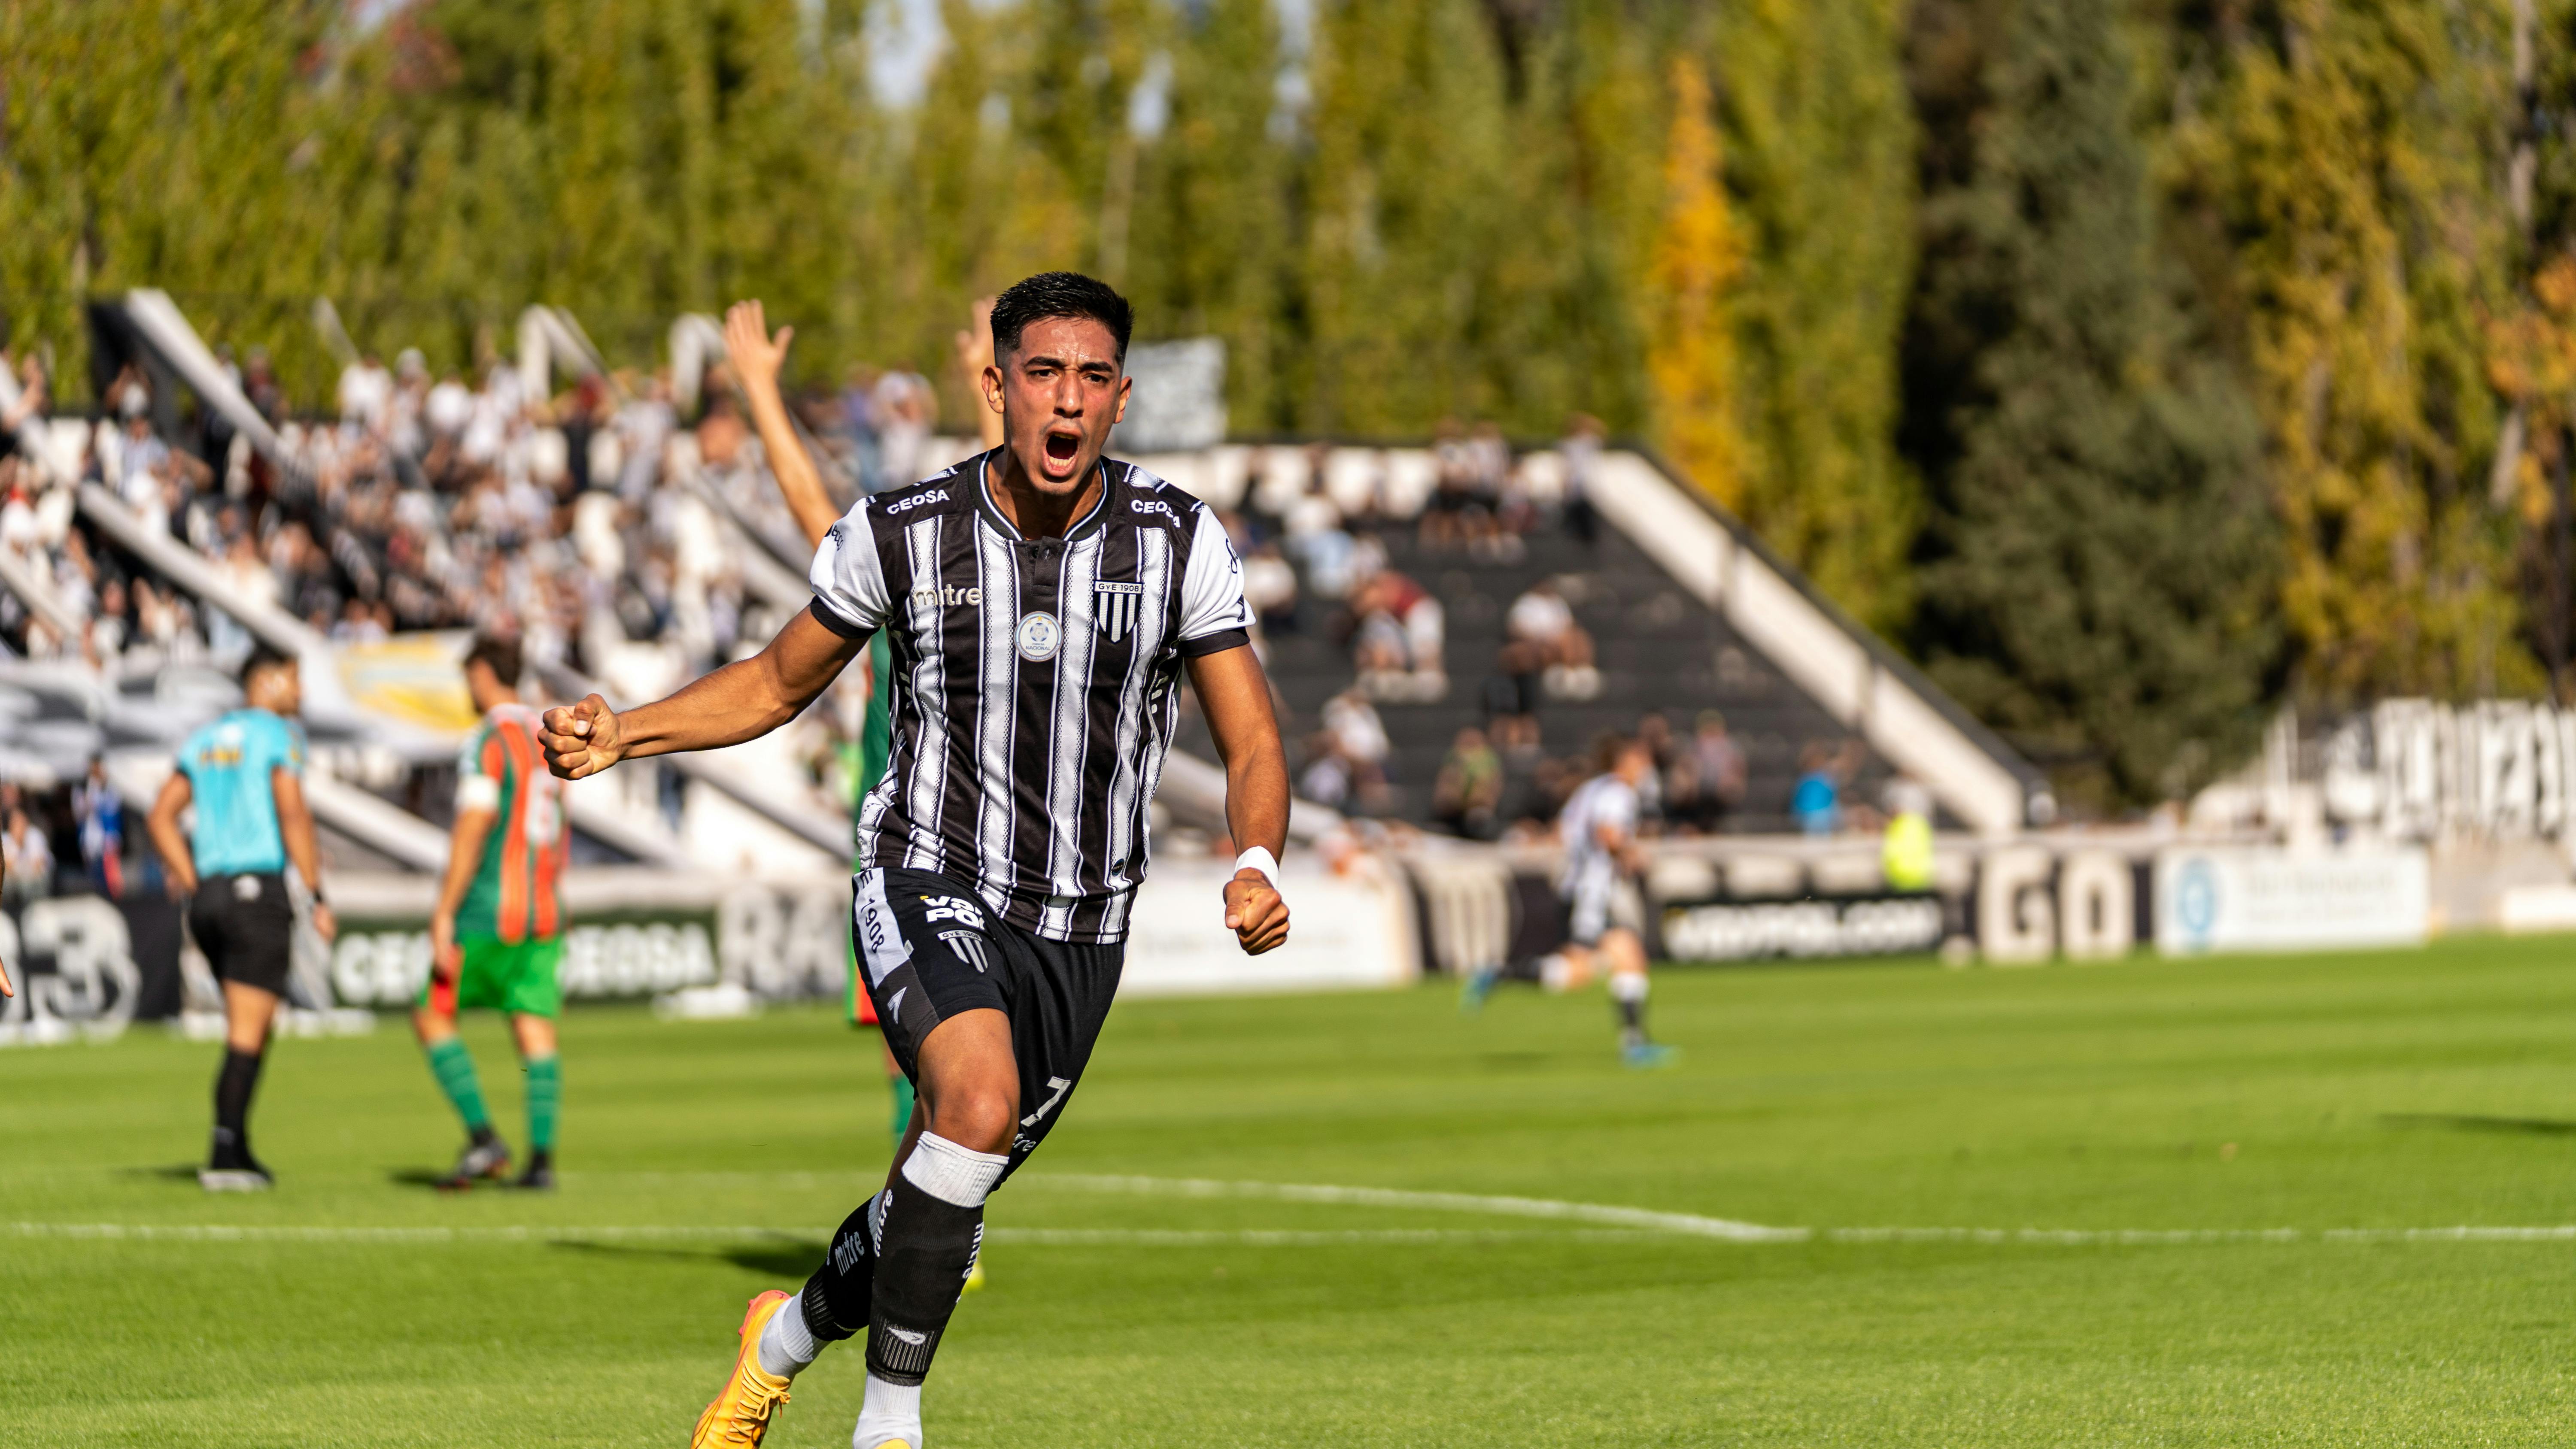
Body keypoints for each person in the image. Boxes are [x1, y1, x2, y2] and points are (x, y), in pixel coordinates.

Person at [554, 272, 1291, 1449]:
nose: (1067, 400)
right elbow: (776, 682)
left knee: (936, 1190)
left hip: (1083, 930)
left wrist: (1258, 859)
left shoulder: (1178, 539)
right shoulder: (906, 531)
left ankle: (778, 1344)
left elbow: (1251, 738)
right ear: (995, 386)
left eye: (1093, 377)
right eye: (1042, 373)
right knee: (976, 1105)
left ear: (1122, 397)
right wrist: (625, 733)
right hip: (928, 872)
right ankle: (888, 1426)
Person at [145, 643, 337, 1191]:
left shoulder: (205, 738)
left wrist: (194, 880)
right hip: (257, 891)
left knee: (248, 1027)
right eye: (293, 678)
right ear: (267, 681)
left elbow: (161, 816)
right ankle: (226, 1152)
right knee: (248, 1032)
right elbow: (292, 811)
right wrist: (317, 894)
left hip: (210, 898)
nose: (300, 691)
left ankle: (237, 1145)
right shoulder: (278, 735)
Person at [412, 634, 569, 1191]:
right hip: (544, 909)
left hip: (489, 910)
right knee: (533, 1027)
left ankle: (484, 1138)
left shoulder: (489, 739)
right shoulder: (548, 733)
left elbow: (474, 824)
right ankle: (541, 1162)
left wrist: (443, 911)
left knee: (432, 1015)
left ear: (482, 674)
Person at [1462, 735, 1673, 1068]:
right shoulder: (1618, 793)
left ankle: (1635, 1045)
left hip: (1578, 887)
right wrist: (1631, 856)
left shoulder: (1591, 789)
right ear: (1624, 761)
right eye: (1640, 759)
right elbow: (1607, 834)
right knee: (1589, 968)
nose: (1646, 766)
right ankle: (1501, 974)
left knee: (1611, 961)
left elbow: (1565, 829)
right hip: (1591, 892)